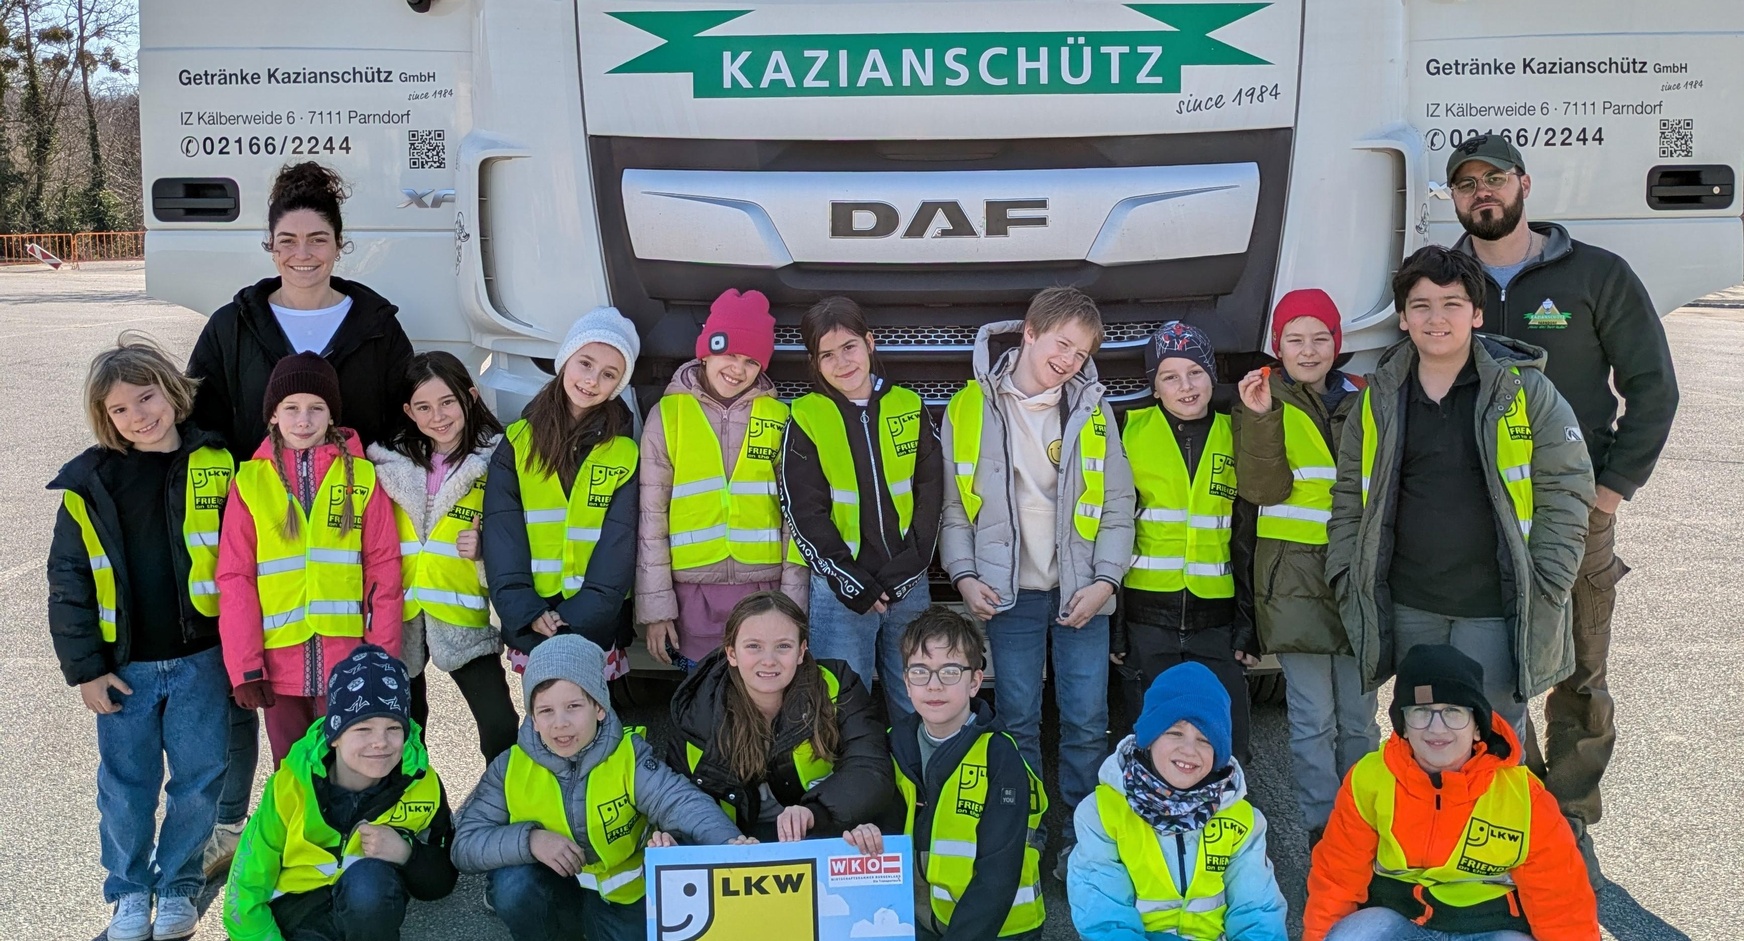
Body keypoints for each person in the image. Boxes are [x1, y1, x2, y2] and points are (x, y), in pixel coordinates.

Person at [1448, 133, 1678, 884]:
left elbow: (1653, 387)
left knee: (1579, 670)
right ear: (1454, 199)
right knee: (1486, 666)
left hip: (1573, 510)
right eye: (1466, 184)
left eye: (1494, 179)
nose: (1482, 193)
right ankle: (1510, 802)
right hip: (1473, 511)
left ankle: (1569, 814)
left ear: (1524, 185)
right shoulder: (1444, 278)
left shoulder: (1596, 275)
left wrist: (1610, 489)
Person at [186, 160, 413, 874]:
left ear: (340, 244)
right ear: (269, 245)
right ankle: (257, 832)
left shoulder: (376, 326)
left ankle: (386, 830)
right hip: (266, 540)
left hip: (357, 537)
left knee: (374, 722)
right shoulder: (234, 325)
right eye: (287, 239)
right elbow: (199, 422)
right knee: (273, 732)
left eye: (318, 238)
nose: (303, 253)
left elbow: (410, 424)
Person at [1326, 246, 1594, 736]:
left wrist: (1550, 578)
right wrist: (1347, 574)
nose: (1436, 319)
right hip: (1409, 607)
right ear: (1403, 318)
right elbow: (1348, 495)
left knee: (1493, 738)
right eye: (1421, 305)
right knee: (1422, 737)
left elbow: (1567, 489)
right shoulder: (1377, 399)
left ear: (1476, 313)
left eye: (1452, 304)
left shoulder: (1524, 391)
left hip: (1493, 608)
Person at [940, 286, 1136, 869]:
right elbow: (954, 509)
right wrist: (964, 575)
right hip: (1010, 597)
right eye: (1061, 344)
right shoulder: (968, 408)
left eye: (1081, 352)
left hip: (1082, 592)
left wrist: (1106, 582)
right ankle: (1025, 830)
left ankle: (1083, 837)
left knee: (1087, 722)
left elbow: (1118, 506)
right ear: (1029, 332)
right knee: (1018, 719)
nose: (1069, 360)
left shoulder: (1092, 410)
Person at [47, 335, 235, 941]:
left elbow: (249, 560)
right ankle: (128, 892)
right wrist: (86, 669)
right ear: (105, 418)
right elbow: (69, 580)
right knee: (126, 788)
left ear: (172, 392)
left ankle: (178, 884)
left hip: (203, 660)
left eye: (146, 397)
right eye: (119, 409)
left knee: (199, 782)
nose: (138, 416)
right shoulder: (90, 482)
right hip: (123, 668)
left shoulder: (221, 464)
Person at [451, 635, 751, 941]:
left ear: (599, 707)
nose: (560, 723)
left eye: (573, 706)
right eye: (546, 711)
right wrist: (531, 840)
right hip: (553, 893)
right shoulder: (509, 767)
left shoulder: (628, 757)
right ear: (533, 719)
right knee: (512, 886)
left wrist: (732, 845)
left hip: (622, 898)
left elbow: (682, 804)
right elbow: (465, 846)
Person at [1305, 644, 1599, 941]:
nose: (1437, 728)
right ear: (1403, 727)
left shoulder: (1524, 797)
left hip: (1491, 928)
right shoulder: (1370, 778)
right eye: (1421, 712)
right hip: (1399, 917)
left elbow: (1562, 903)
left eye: (1453, 712)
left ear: (1478, 728)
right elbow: (1337, 879)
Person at [1232, 291, 1380, 845]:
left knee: (1360, 721)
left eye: (1321, 338)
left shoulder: (1368, 397)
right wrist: (1260, 418)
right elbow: (1262, 489)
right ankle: (1324, 831)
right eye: (1295, 339)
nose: (1309, 350)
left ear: (1337, 344)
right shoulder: (1258, 399)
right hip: (1293, 586)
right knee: (1312, 719)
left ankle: (1365, 826)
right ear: (1278, 346)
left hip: (1356, 578)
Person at [217, 352, 403, 764]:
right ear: (273, 415)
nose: (304, 420)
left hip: (350, 667)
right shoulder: (250, 482)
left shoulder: (362, 477)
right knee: (293, 773)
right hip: (277, 669)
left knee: (352, 771)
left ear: (332, 415)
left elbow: (384, 573)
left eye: (316, 408)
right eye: (291, 408)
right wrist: (246, 667)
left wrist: (381, 660)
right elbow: (235, 579)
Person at [223, 645, 458, 941]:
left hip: (363, 904)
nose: (380, 742)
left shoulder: (421, 784)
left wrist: (406, 853)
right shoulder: (291, 784)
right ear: (334, 736)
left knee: (370, 884)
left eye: (393, 728)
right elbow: (245, 885)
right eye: (363, 729)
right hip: (289, 915)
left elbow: (442, 882)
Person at [779, 295, 943, 716]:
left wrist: (907, 569)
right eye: (827, 355)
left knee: (917, 704)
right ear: (814, 363)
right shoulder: (806, 416)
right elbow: (802, 511)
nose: (842, 362)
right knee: (841, 707)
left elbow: (931, 494)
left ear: (869, 343)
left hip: (908, 583)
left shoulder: (909, 406)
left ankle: (912, 763)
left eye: (849, 346)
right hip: (841, 590)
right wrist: (850, 580)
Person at [843, 606, 1047, 941]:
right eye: (920, 672)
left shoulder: (999, 755)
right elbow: (880, 820)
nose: (934, 685)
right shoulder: (892, 745)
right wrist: (864, 829)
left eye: (950, 672)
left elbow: (998, 874)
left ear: (975, 682)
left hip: (1002, 930)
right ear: (906, 683)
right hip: (922, 923)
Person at [638, 288, 807, 670]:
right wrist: (657, 609)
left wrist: (794, 608)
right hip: (691, 599)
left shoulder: (779, 418)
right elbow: (650, 519)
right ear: (706, 351)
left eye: (751, 361)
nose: (737, 369)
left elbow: (793, 521)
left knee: (761, 695)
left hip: (764, 594)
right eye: (729, 354)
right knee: (702, 696)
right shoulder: (667, 415)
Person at [1120, 321, 1259, 765]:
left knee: (1225, 736)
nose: (1186, 386)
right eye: (1170, 376)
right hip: (1146, 617)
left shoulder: (1235, 432)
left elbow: (1246, 536)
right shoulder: (1129, 432)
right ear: (1154, 387)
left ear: (1212, 376)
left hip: (1215, 619)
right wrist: (1116, 625)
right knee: (1150, 736)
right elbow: (1112, 531)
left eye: (1195, 372)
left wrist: (1249, 622)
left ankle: (1228, 804)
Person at [367, 352, 518, 761]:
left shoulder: (497, 461)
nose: (437, 416)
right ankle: (414, 800)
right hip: (399, 616)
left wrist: (485, 548)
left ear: (470, 396)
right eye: (424, 407)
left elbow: (515, 531)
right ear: (408, 411)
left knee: (500, 727)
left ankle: (502, 799)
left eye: (447, 401)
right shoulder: (387, 463)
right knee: (403, 730)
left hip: (461, 613)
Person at [1067, 662, 1287, 941]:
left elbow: (1258, 911)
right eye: (1174, 732)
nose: (1189, 749)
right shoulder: (1100, 813)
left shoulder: (1243, 820)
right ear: (1148, 739)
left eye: (1205, 739)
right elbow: (1105, 919)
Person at [665, 591, 894, 842]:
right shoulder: (696, 709)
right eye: (753, 646)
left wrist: (815, 812)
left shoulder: (837, 683)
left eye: (783, 646)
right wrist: (691, 840)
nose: (769, 660)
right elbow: (681, 798)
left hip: (821, 830)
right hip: (734, 843)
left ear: (801, 651)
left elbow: (870, 768)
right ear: (731, 653)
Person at [483, 307, 640, 663]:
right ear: (566, 360)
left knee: (596, 699)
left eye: (609, 374)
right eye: (585, 363)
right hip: (533, 619)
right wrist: (525, 608)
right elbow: (502, 534)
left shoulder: (624, 453)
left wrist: (579, 614)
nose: (592, 380)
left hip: (594, 624)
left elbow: (619, 545)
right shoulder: (518, 442)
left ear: (618, 385)